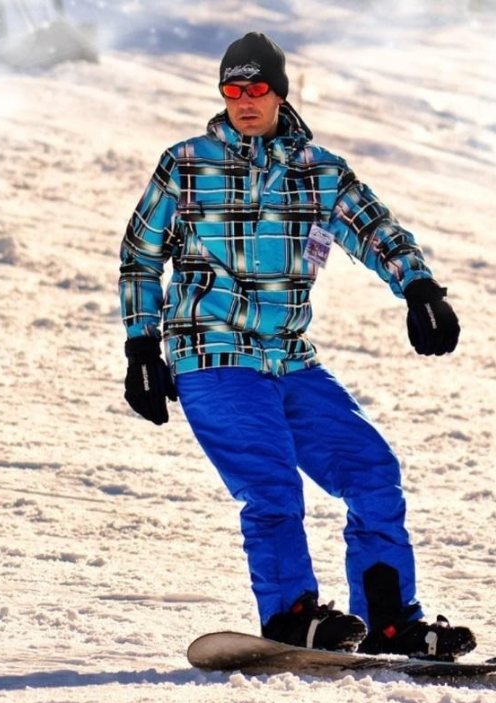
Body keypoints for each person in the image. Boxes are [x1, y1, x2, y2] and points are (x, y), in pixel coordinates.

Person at [119, 32, 473, 660]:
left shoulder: (321, 171)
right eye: (233, 88)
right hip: (214, 355)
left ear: (280, 92)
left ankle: (388, 617)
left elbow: (376, 229)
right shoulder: (185, 163)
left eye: (257, 87)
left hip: (290, 358)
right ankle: (290, 616)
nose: (244, 99)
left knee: (372, 473)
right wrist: (142, 349)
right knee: (273, 488)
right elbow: (142, 258)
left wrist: (419, 287)